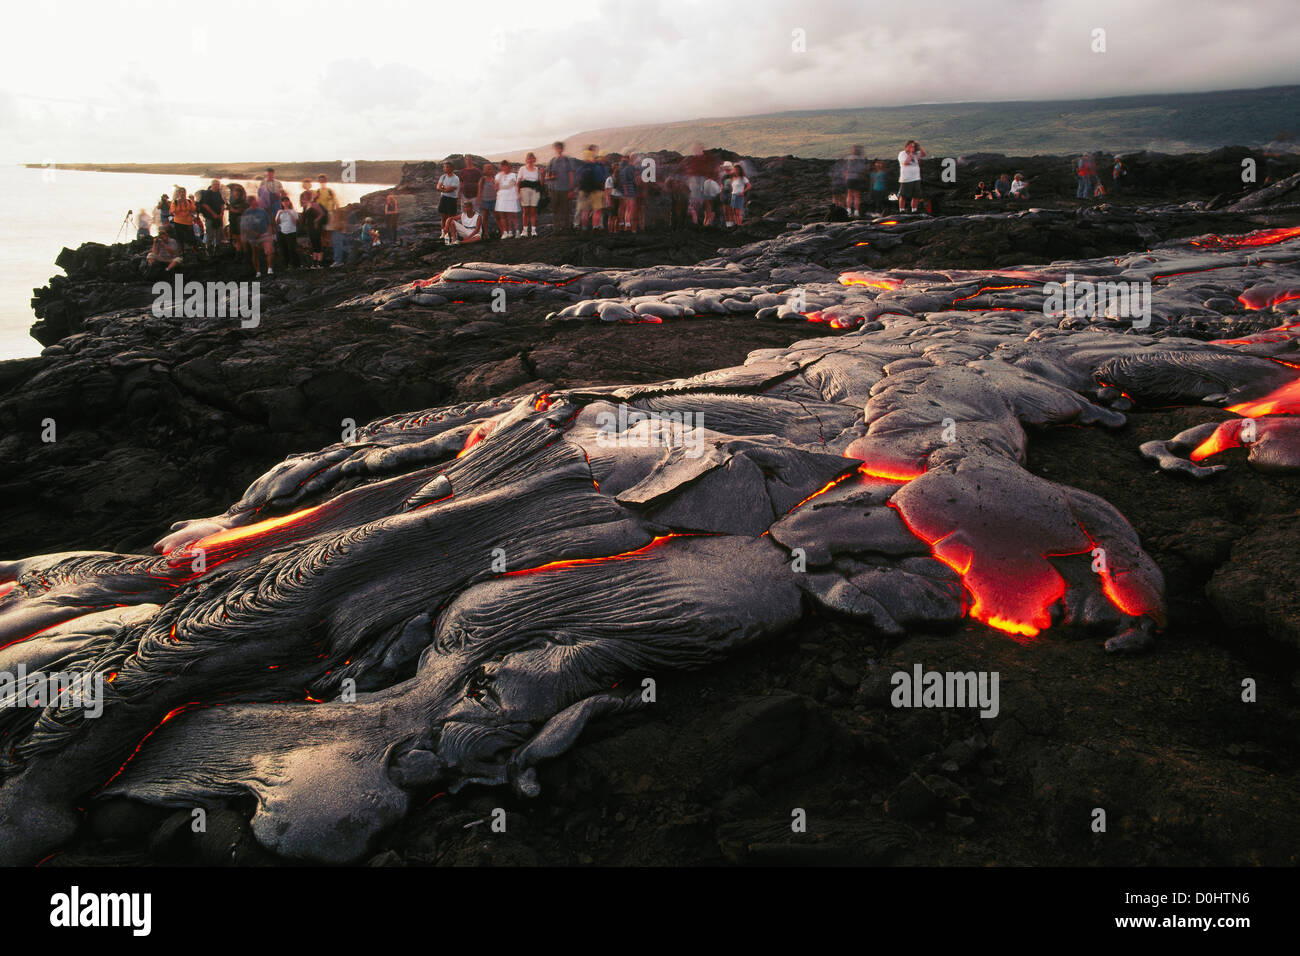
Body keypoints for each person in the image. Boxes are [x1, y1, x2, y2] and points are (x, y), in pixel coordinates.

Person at [545, 141, 578, 235]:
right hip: (554, 189)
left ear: (562, 149)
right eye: (557, 148)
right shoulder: (552, 161)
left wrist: (571, 189)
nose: (558, 150)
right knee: (555, 210)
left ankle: (565, 229)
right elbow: (547, 175)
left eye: (560, 148)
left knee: (566, 210)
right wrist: (550, 178)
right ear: (555, 149)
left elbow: (571, 174)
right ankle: (556, 228)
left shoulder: (567, 160)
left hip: (565, 189)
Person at [239, 196, 275, 278]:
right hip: (253, 235)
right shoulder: (246, 213)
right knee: (255, 253)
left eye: (256, 201)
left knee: (269, 250)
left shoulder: (262, 211)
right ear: (250, 203)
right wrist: (253, 233)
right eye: (253, 202)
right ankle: (258, 271)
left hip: (264, 233)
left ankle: (269, 268)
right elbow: (244, 227)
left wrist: (269, 232)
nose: (255, 203)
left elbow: (268, 222)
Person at [576, 146, 606, 233]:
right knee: (597, 210)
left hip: (583, 191)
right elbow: (602, 179)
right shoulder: (596, 167)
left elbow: (577, 179)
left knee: (585, 211)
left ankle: (584, 229)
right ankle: (595, 227)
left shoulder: (581, 168)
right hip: (596, 191)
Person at [196, 179, 225, 252]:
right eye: (216, 185)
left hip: (218, 216)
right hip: (210, 217)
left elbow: (222, 203)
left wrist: (221, 213)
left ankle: (217, 247)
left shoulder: (218, 193)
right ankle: (209, 248)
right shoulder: (207, 193)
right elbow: (205, 205)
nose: (217, 186)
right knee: (210, 233)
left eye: (218, 185)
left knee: (218, 233)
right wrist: (213, 214)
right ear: (212, 185)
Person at [517, 152, 542, 236]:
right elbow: (518, 182)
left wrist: (541, 174)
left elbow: (541, 183)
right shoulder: (522, 169)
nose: (531, 160)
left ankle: (533, 231)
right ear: (526, 160)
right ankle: (524, 231)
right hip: (524, 190)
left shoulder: (537, 170)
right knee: (525, 211)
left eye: (532, 158)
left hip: (535, 190)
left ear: (534, 159)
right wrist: (518, 194)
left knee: (533, 211)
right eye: (529, 158)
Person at [494, 160, 521, 238]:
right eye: (502, 166)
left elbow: (511, 185)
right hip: (501, 197)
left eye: (506, 166)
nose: (504, 168)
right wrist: (498, 187)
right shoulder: (498, 175)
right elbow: (496, 187)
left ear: (509, 166)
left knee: (512, 215)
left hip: (511, 197)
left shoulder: (513, 175)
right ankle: (506, 232)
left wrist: (500, 186)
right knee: (502, 215)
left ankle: (517, 231)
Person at [897, 140, 926, 212]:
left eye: (913, 146)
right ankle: (902, 210)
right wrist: (911, 153)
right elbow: (906, 162)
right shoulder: (902, 154)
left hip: (916, 178)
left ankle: (914, 210)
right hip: (906, 179)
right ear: (907, 146)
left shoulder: (915, 153)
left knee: (916, 196)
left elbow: (924, 154)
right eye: (910, 146)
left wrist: (919, 146)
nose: (912, 148)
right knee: (903, 196)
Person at [316, 174, 340, 261]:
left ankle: (330, 252)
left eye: (323, 180)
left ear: (326, 181)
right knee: (322, 233)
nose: (322, 182)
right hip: (321, 214)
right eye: (320, 180)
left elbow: (336, 202)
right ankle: (324, 252)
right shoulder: (317, 191)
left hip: (329, 213)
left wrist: (337, 212)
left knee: (329, 232)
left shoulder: (330, 190)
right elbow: (315, 203)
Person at [169, 187, 199, 255]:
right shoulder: (175, 202)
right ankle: (182, 252)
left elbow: (193, 210)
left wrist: (192, 201)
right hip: (178, 222)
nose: (182, 194)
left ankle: (194, 252)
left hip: (188, 222)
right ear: (179, 193)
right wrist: (179, 205)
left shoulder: (189, 201)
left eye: (184, 192)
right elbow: (173, 212)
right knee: (180, 239)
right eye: (181, 192)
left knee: (191, 238)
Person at [275, 197, 301, 268]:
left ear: (289, 202)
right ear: (282, 203)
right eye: (283, 202)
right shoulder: (279, 211)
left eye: (286, 201)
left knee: (292, 249)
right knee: (283, 249)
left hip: (291, 232)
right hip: (282, 232)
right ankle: (286, 264)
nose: (285, 203)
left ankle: (295, 264)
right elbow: (277, 222)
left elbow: (295, 222)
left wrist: (289, 212)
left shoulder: (293, 211)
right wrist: (280, 214)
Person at [618, 151, 640, 232]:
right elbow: (625, 180)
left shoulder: (627, 168)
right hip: (630, 189)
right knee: (631, 208)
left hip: (628, 190)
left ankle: (627, 225)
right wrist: (626, 190)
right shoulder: (629, 168)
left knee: (628, 208)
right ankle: (628, 226)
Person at [437, 161, 460, 235]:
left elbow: (451, 189)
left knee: (451, 218)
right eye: (444, 167)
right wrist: (444, 188)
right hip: (443, 198)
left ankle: (452, 234)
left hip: (452, 199)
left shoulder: (455, 178)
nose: (445, 168)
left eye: (447, 167)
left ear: (452, 168)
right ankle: (443, 233)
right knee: (443, 217)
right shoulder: (443, 177)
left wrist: (442, 188)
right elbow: (438, 187)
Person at [844, 146, 868, 217]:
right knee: (857, 195)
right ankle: (856, 211)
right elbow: (864, 169)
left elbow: (846, 170)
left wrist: (846, 178)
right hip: (857, 178)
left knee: (849, 194)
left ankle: (848, 210)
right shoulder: (862, 159)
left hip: (849, 178)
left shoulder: (848, 158)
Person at [477, 162, 498, 239]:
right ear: (484, 170)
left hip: (494, 201)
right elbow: (479, 191)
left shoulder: (495, 179)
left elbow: (497, 190)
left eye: (491, 169)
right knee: (485, 217)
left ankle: (500, 230)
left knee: (496, 216)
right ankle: (486, 233)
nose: (490, 170)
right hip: (485, 201)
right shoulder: (482, 179)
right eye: (487, 169)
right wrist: (479, 201)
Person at [226, 181, 248, 251]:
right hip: (233, 222)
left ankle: (245, 254)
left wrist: (232, 210)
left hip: (240, 224)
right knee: (237, 239)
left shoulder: (244, 202)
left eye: (238, 192)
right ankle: (239, 253)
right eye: (235, 192)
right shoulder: (232, 202)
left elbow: (242, 211)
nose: (236, 193)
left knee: (242, 240)